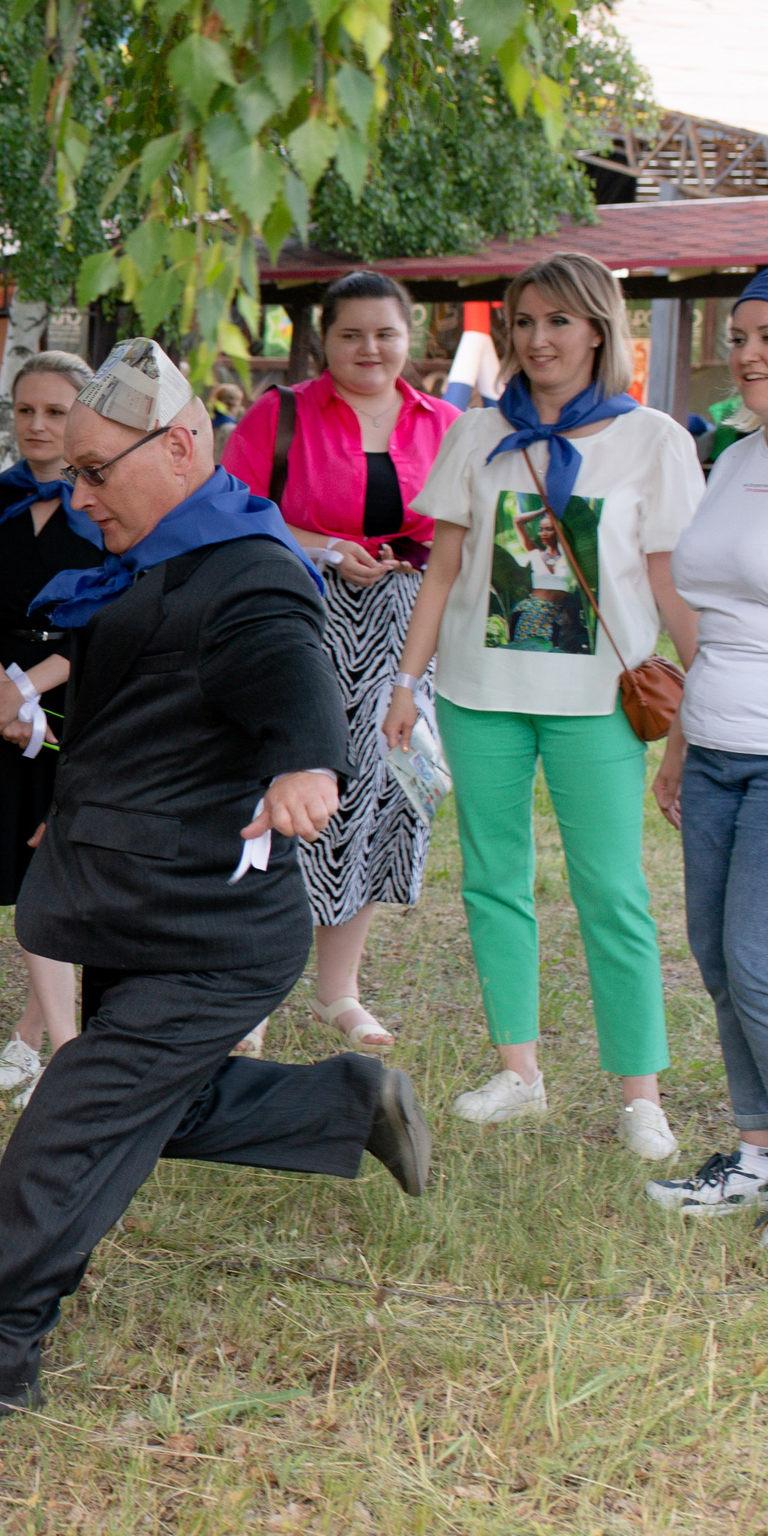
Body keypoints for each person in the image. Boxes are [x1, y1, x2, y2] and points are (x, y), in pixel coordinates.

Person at [0, 339, 428, 1428]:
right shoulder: (154, 558)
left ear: (181, 447)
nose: (79, 499)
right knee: (141, 1110)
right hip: (137, 899)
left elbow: (289, 669)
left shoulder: (246, 569)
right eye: (70, 475)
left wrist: (304, 762)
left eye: (95, 472)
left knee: (74, 1122)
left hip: (212, 929)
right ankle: (342, 1103)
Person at [383, 252, 704, 1160]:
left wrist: (702, 685)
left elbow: (669, 579)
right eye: (524, 323)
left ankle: (640, 1093)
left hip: (599, 699)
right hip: (482, 694)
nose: (538, 339)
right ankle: (519, 1071)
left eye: (558, 322)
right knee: (493, 882)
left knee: (613, 891)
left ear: (598, 329)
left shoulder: (653, 440)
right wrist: (406, 683)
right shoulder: (474, 433)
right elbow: (442, 569)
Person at [224, 271, 464, 1052]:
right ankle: (252, 988)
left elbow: (464, 533)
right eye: (352, 333)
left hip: (406, 633)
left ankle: (339, 989)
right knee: (285, 789)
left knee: (376, 797)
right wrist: (326, 549)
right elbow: (229, 510)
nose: (370, 348)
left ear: (411, 337)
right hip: (300, 617)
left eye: (385, 333)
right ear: (324, 339)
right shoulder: (279, 415)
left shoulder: (448, 423)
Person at [645, 263, 768, 1252]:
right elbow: (711, 614)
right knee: (716, 957)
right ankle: (756, 1155)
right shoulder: (738, 459)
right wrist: (679, 742)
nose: (744, 354)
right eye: (739, 335)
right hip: (716, 751)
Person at [0, 351, 107, 1105]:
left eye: (57, 411)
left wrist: (27, 692)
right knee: (32, 882)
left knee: (67, 879)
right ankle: (39, 1039)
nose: (38, 425)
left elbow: (110, 619)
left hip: (84, 706)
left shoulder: (112, 507)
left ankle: (57, 1050)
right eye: (25, 410)